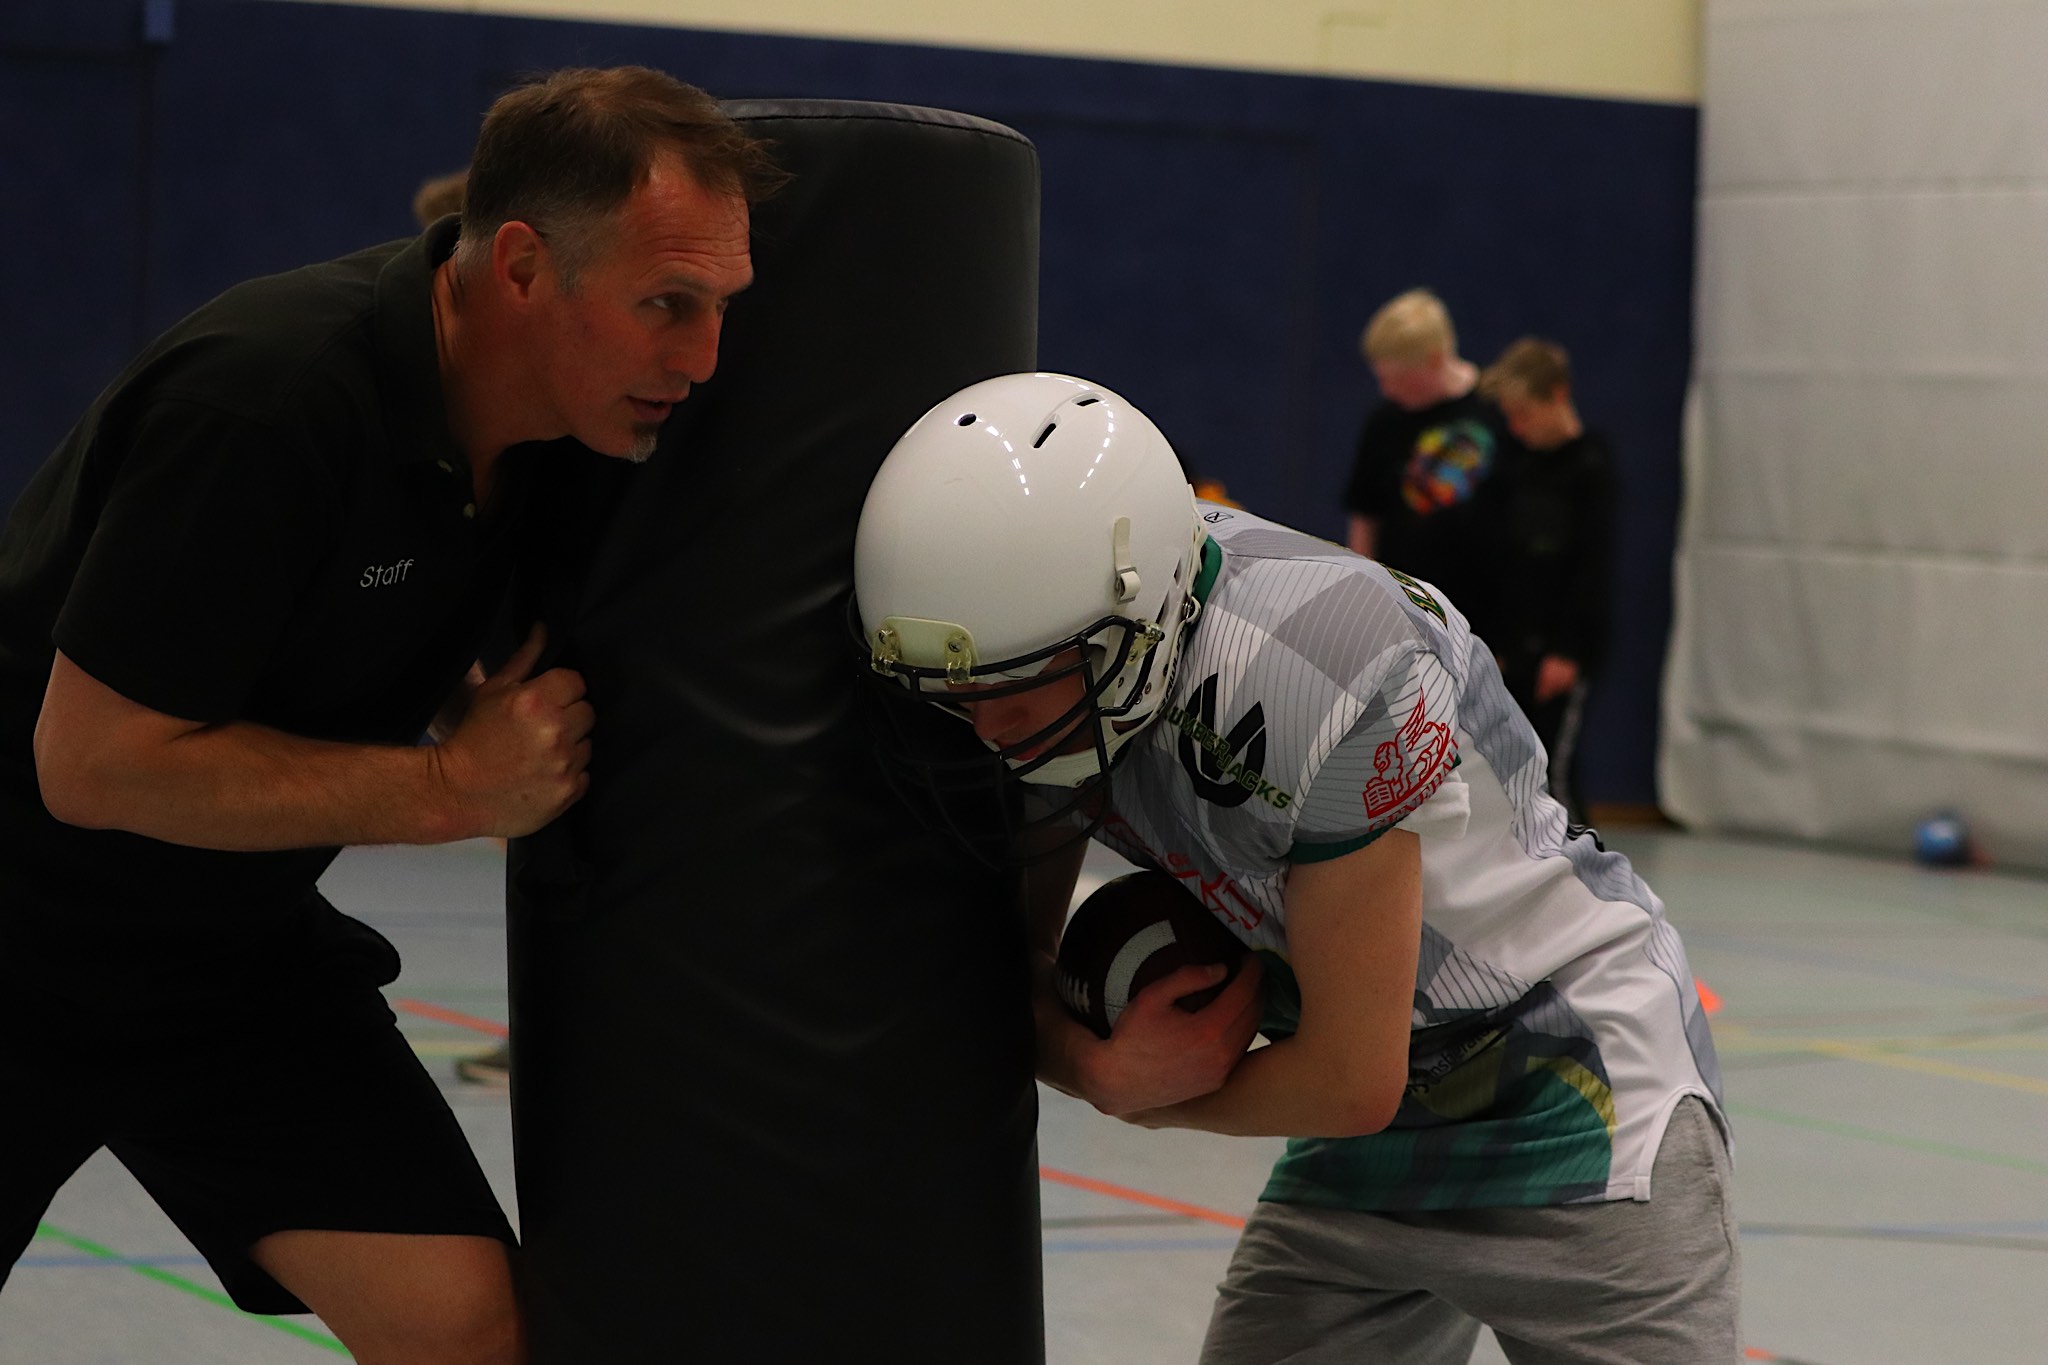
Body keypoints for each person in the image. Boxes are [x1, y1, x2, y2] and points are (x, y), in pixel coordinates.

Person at [0, 66, 776, 1361]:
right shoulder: (266, 399)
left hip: (226, 958)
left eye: (721, 309)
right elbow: (92, 766)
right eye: (666, 305)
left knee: (473, 1335)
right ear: (523, 267)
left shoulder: (557, 437)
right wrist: (450, 790)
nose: (701, 358)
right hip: (17, 934)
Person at [855, 373, 1736, 1363]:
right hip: (1377, 1126)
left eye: (1016, 686)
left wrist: (1136, 1092)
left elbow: (1350, 1079)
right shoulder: (1077, 636)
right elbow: (1005, 980)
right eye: (957, 691)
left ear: (1136, 623)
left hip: (1564, 1091)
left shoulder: (1319, 668)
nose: (987, 725)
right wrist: (1094, 1065)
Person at [1481, 337, 1619, 827]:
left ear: (1558, 396)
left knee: (1552, 772)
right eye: (1509, 418)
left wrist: (1567, 651)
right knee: (1505, 769)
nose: (1516, 428)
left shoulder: (1591, 469)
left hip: (1561, 652)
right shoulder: (1517, 466)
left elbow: (1591, 568)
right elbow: (1503, 563)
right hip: (1513, 644)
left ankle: (1587, 874)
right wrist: (1494, 642)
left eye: (1525, 415)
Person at [1339, 287, 1510, 645]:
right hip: (1407, 616)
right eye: (1380, 378)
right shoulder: (1384, 422)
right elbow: (1364, 517)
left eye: (1395, 378)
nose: (1386, 390)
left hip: (1484, 620)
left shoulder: (1497, 412)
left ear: (1434, 360)